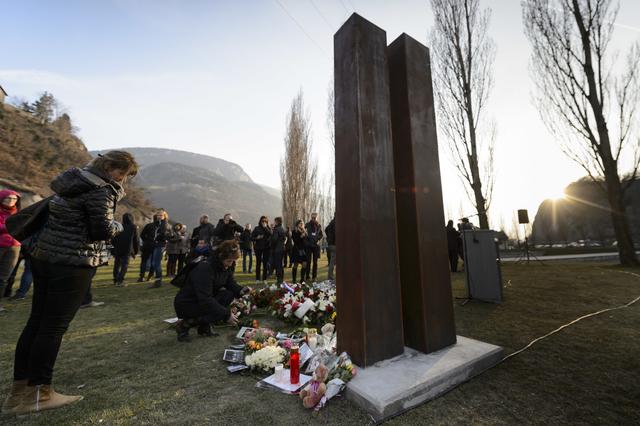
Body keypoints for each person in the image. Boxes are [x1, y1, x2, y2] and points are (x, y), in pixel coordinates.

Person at [2, 150, 137, 415]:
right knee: (53, 328)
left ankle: (17, 393)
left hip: (45, 257)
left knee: (37, 321)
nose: (124, 180)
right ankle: (40, 393)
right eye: (124, 174)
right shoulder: (101, 189)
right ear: (111, 168)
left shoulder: (73, 182)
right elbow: (101, 230)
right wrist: (120, 226)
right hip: (73, 262)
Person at [173, 240, 251, 342]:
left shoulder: (223, 266)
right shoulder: (205, 268)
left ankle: (204, 326)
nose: (231, 264)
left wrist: (241, 290)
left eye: (233, 261)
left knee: (227, 295)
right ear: (220, 256)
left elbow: (230, 283)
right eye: (229, 261)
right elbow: (205, 298)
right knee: (218, 310)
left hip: (202, 300)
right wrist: (226, 314)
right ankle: (185, 324)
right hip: (188, 303)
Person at [0, 189, 21, 312]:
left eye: (14, 198)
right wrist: (13, 225)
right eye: (8, 198)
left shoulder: (18, 213)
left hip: (14, 247)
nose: (11, 201)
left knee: (3, 278)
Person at [139, 210, 172, 288]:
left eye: (161, 215)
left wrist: (164, 238)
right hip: (150, 245)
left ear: (164, 216)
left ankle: (158, 281)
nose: (159, 216)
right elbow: (142, 235)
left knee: (155, 263)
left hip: (160, 245)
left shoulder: (167, 225)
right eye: (158, 215)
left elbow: (170, 236)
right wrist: (147, 241)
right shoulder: (151, 225)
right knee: (151, 262)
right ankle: (147, 277)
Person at [111, 213, 139, 287]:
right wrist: (136, 251)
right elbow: (136, 240)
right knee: (124, 265)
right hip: (127, 249)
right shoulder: (133, 227)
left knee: (117, 264)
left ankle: (115, 279)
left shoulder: (119, 226)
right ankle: (120, 280)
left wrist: (112, 249)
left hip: (118, 248)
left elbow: (113, 238)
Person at [251, 216, 271, 285]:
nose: (264, 222)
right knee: (258, 263)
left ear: (267, 222)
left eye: (265, 221)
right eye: (263, 221)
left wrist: (265, 227)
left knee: (265, 263)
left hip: (266, 248)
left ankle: (264, 279)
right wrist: (257, 238)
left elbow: (270, 234)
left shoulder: (268, 228)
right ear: (260, 221)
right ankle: (257, 279)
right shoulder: (257, 228)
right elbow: (251, 237)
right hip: (258, 248)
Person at [304, 213, 323, 282]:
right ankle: (307, 276)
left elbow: (321, 235)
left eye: (315, 218)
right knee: (308, 262)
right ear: (311, 217)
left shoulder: (319, 226)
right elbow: (304, 234)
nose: (314, 219)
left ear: (317, 218)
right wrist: (306, 242)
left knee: (315, 262)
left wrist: (317, 239)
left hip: (315, 246)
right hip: (308, 246)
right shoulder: (307, 225)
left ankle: (314, 277)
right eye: (312, 218)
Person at [291, 220, 309, 284]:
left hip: (304, 250)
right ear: (297, 224)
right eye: (300, 223)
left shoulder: (304, 231)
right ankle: (294, 280)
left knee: (305, 264)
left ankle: (302, 280)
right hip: (297, 249)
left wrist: (305, 234)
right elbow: (295, 240)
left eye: (302, 223)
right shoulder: (294, 231)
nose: (301, 225)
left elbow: (307, 240)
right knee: (295, 264)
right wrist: (301, 236)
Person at [270, 217, 286, 284]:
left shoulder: (276, 229)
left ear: (277, 222)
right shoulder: (282, 228)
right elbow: (284, 238)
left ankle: (279, 280)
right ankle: (281, 278)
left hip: (277, 249)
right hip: (282, 248)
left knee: (278, 265)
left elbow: (274, 239)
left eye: (274, 221)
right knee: (281, 264)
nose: (274, 222)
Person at [325, 216, 336, 281]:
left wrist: (328, 238)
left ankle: (330, 276)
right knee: (332, 262)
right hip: (334, 244)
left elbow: (326, 229)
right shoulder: (335, 223)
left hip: (330, 244)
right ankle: (330, 277)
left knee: (332, 261)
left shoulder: (331, 223)